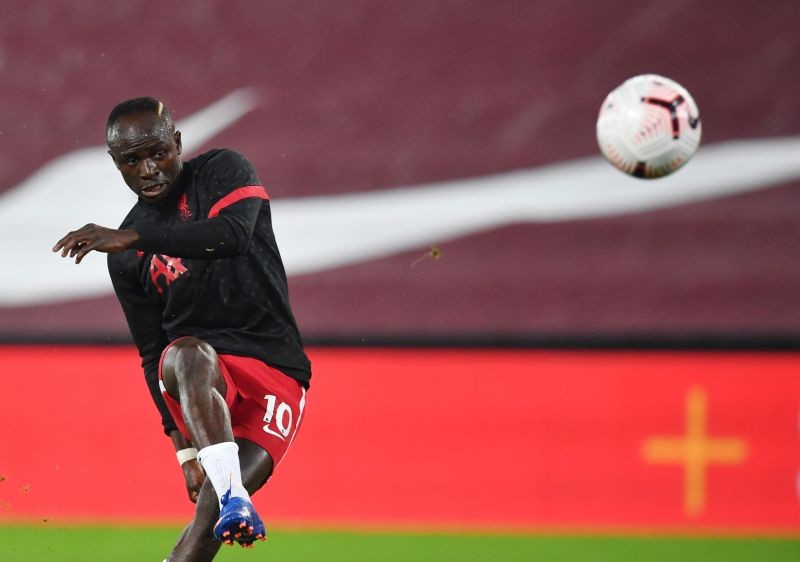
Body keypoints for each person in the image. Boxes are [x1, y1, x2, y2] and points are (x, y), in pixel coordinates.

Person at [53, 97, 311, 561]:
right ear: (116, 165)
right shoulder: (126, 255)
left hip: (275, 370)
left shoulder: (222, 171)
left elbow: (231, 236)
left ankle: (226, 497)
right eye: (131, 161)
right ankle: (233, 493)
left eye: (158, 153)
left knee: (199, 538)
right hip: (199, 376)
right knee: (186, 353)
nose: (149, 169)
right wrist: (186, 455)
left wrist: (135, 236)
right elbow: (152, 353)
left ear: (177, 142)